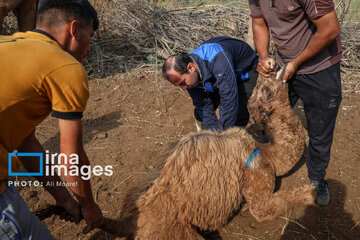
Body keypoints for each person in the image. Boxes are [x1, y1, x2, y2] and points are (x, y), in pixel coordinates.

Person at [0, 0, 103, 238]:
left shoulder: (8, 44)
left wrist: (65, 199)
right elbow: (71, 160)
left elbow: (26, 144)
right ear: (74, 29)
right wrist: (89, 206)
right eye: (90, 36)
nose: (89, 47)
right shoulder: (65, 67)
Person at [249, 0, 342, 206]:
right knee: (269, 117)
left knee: (320, 128)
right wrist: (264, 56)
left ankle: (317, 178)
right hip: (285, 65)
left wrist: (296, 63)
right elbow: (259, 23)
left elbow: (330, 29)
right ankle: (268, 164)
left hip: (320, 68)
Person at [163, 36, 259, 132]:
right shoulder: (189, 71)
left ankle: (243, 139)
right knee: (201, 114)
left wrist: (223, 135)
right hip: (217, 77)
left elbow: (229, 98)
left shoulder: (217, 59)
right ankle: (205, 137)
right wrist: (214, 131)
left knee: (239, 112)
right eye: (179, 85)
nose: (183, 88)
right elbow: (202, 103)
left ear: (190, 67)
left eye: (183, 83)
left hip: (245, 71)